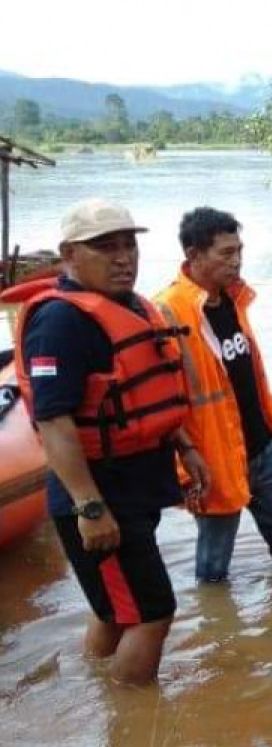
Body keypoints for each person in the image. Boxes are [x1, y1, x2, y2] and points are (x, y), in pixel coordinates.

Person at [12, 198, 209, 684]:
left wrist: (185, 446)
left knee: (114, 607)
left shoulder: (134, 308)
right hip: (99, 497)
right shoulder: (60, 322)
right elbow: (53, 421)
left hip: (133, 485)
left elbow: (141, 391)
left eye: (129, 245)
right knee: (154, 612)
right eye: (105, 247)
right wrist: (90, 507)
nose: (124, 257)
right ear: (70, 256)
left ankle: (94, 692)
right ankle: (134, 729)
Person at [156, 207, 272, 582]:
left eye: (239, 250)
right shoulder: (167, 310)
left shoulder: (234, 298)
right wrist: (185, 461)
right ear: (193, 255)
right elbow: (164, 401)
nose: (237, 260)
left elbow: (249, 373)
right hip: (212, 457)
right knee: (213, 568)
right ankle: (218, 633)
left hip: (261, 444)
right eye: (226, 253)